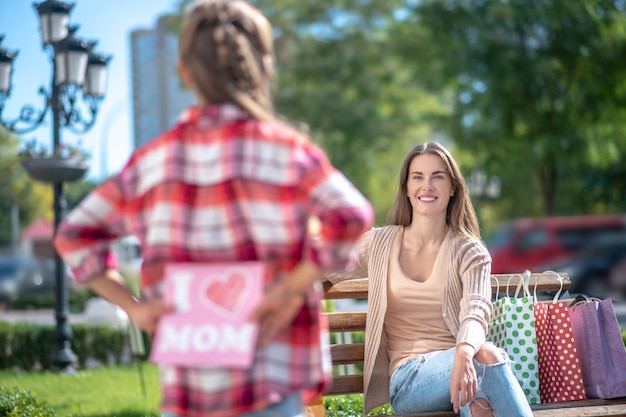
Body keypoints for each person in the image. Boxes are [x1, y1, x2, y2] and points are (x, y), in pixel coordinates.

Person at [53, 1, 374, 416]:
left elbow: (74, 234)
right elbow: (351, 215)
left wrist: (134, 308)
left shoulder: (150, 163)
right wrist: (289, 289)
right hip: (273, 378)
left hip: (190, 387)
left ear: (183, 70)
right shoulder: (289, 152)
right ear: (265, 65)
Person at [327, 142, 533, 417]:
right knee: (488, 356)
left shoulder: (470, 251)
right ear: (407, 189)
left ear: (453, 188)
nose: (428, 186)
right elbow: (321, 261)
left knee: (480, 407)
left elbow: (476, 310)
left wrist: (463, 351)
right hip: (409, 381)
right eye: (418, 177)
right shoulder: (379, 244)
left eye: (438, 176)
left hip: (464, 370)